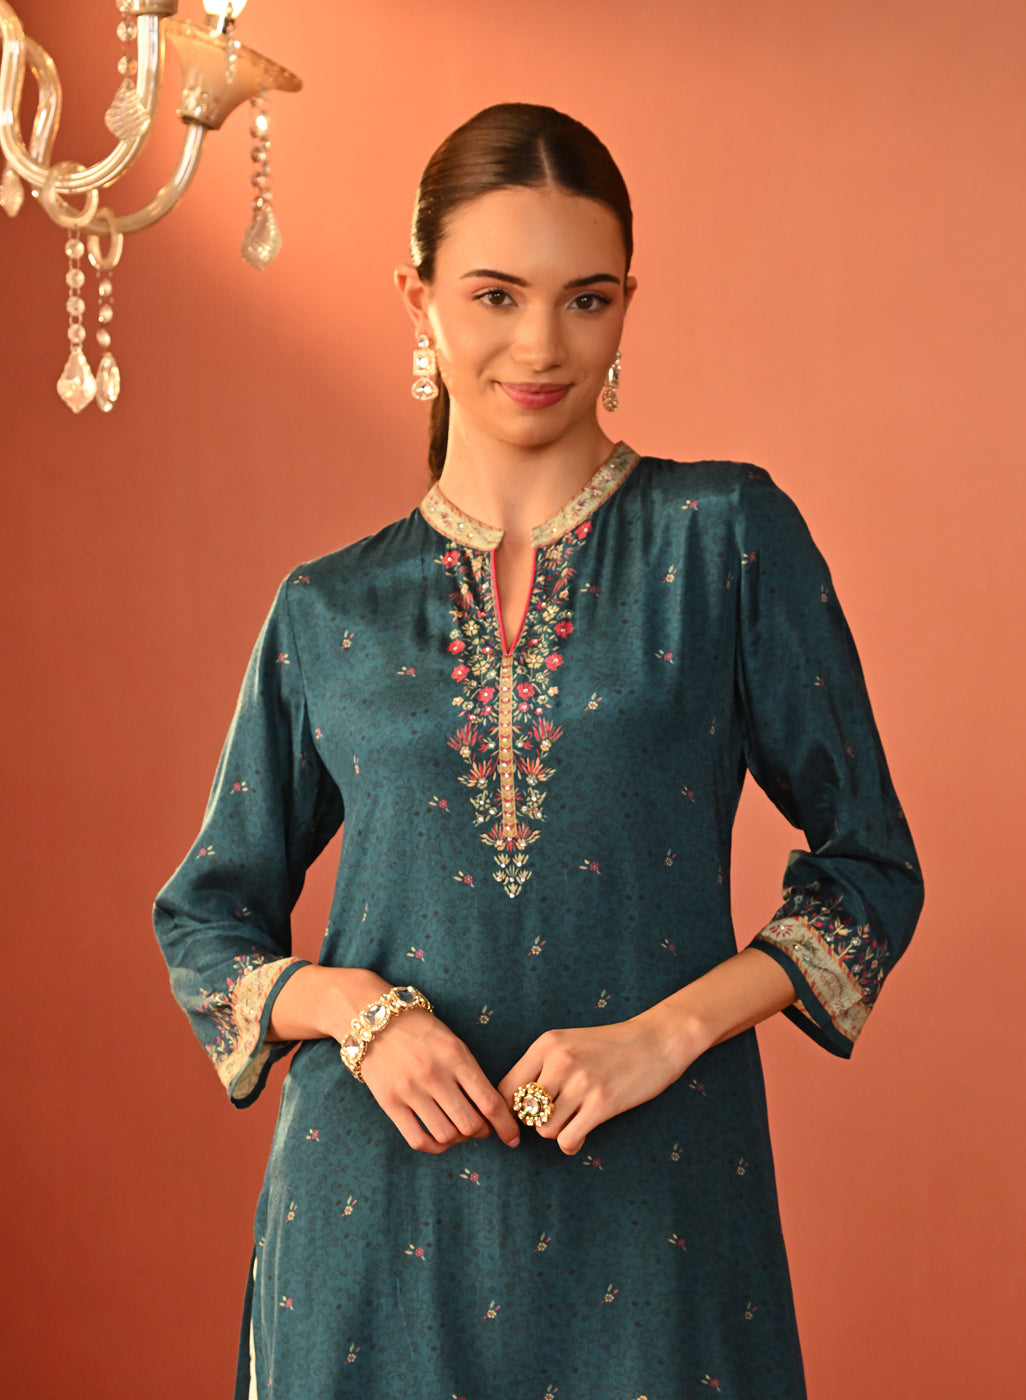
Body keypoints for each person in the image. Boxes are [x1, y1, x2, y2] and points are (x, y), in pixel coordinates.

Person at [154, 103, 923, 1400]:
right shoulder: (330, 607)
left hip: (660, 1203)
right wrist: (360, 1014)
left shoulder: (724, 537)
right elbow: (205, 921)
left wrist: (664, 1036)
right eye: (495, 294)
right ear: (417, 300)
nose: (540, 344)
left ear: (627, 306)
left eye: (586, 299)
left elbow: (870, 872)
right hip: (371, 1220)